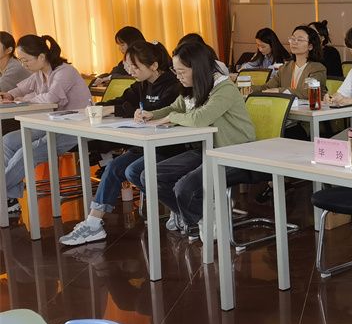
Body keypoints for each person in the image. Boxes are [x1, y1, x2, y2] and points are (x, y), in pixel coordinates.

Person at [59, 41, 182, 245]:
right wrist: (99, 108)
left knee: (133, 170)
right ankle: (93, 224)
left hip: (168, 147)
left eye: (135, 66)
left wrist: (117, 110)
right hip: (144, 144)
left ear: (153, 65)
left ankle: (179, 209)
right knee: (114, 167)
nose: (130, 71)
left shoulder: (173, 85)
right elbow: (123, 101)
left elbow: (159, 110)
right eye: (128, 66)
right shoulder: (142, 84)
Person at [136, 41, 255, 236]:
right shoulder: (192, 87)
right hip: (206, 149)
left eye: (182, 71)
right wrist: (151, 115)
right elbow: (175, 108)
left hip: (233, 152)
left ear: (198, 68)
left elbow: (200, 118)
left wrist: (171, 118)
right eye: (175, 71)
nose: (178, 76)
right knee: (150, 175)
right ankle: (202, 217)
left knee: (185, 188)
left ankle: (202, 218)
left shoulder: (224, 88)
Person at [1, 35, 92, 214]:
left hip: (76, 127)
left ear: (41, 57)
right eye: (21, 60)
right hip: (50, 124)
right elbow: (21, 89)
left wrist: (24, 99)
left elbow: (51, 98)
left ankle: (3, 192)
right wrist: (10, 95)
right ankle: (9, 197)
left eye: (26, 60)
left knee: (26, 152)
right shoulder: (39, 74)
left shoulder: (65, 72)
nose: (23, 64)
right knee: (7, 141)